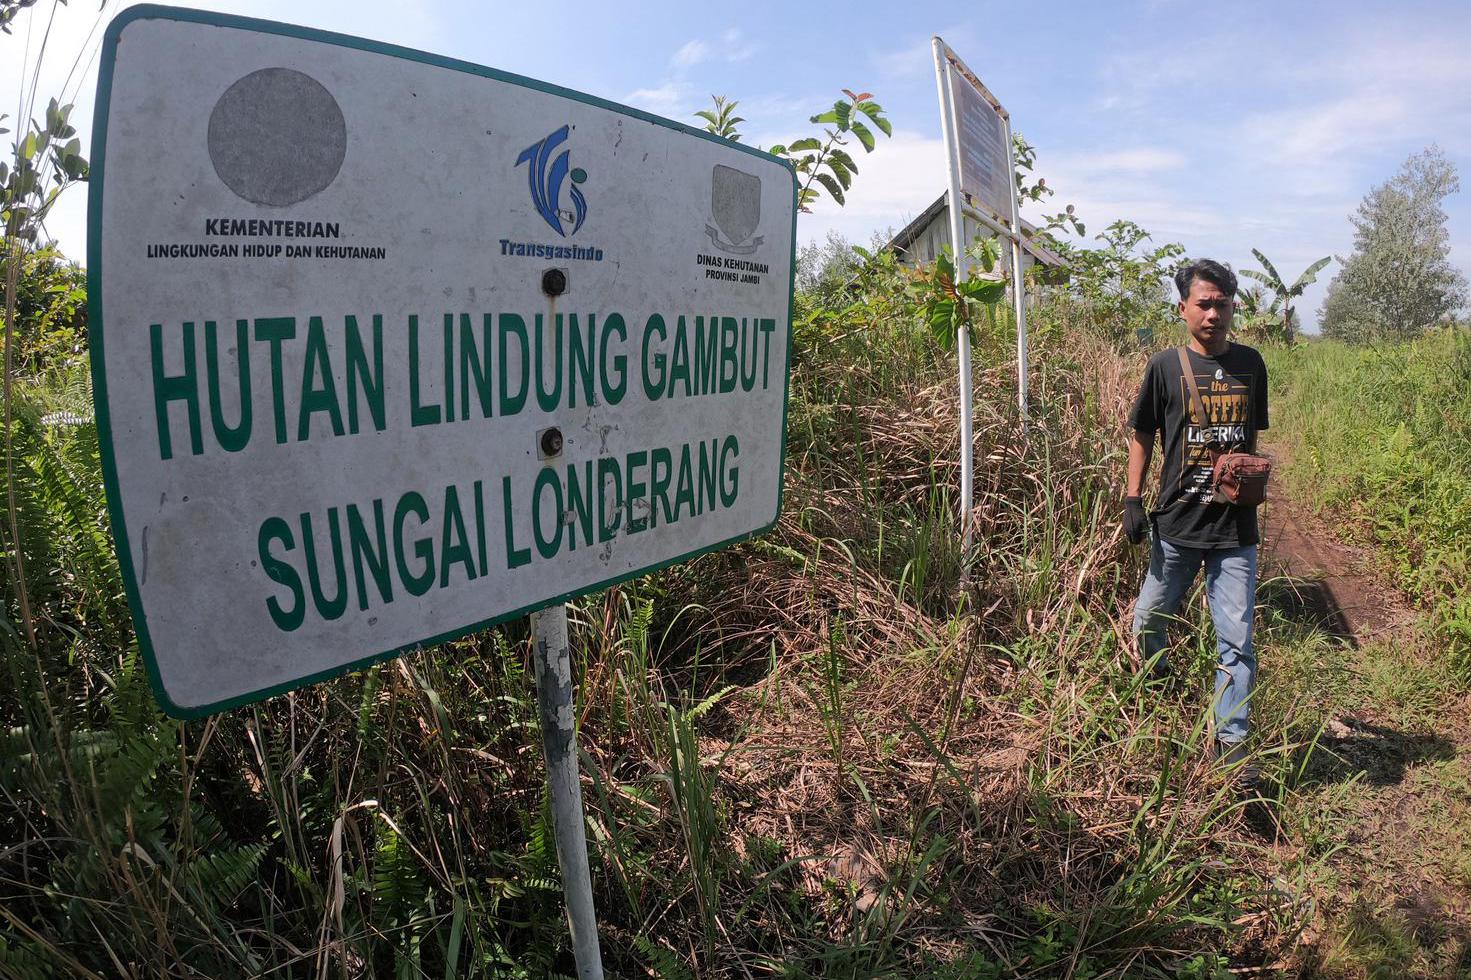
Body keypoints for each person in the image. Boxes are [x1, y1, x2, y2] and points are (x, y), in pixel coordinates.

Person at [1123, 258, 1268, 769]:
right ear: (1182, 308)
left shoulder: (1252, 364)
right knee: (1147, 623)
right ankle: (1161, 696)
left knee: (1237, 642)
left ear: (1234, 307)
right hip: (1178, 526)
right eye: (1203, 304)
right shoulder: (1164, 367)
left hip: (1235, 532)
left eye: (1222, 304)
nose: (1213, 314)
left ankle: (1231, 746)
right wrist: (1133, 497)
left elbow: (1252, 437)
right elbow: (1143, 434)